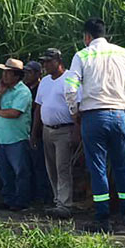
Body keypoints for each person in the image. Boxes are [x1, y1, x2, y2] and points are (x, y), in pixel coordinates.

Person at [63, 18, 125, 231]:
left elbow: (70, 88)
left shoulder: (82, 55)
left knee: (98, 167)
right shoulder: (122, 53)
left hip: (93, 117)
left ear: (87, 37)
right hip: (117, 115)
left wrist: (74, 110)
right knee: (122, 166)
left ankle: (103, 218)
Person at [34, 48, 78, 218]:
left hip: (64, 129)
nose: (45, 65)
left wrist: (77, 131)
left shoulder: (69, 79)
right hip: (47, 130)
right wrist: (34, 132)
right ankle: (57, 200)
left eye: (48, 61)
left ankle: (65, 205)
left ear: (59, 61)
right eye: (44, 62)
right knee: (51, 167)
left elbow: (76, 107)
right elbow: (39, 107)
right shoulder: (44, 81)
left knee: (62, 167)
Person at [0, 58, 33, 211]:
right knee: (4, 171)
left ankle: (22, 201)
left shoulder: (23, 92)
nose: (4, 76)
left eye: (8, 73)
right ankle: (9, 199)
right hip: (1, 138)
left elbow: (14, 113)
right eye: (4, 72)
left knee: (20, 171)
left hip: (17, 138)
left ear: (16, 75)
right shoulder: (1, 89)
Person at [23, 60, 52, 206]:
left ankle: (44, 196)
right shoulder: (24, 89)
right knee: (29, 165)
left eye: (30, 72)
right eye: (25, 72)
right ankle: (32, 194)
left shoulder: (41, 87)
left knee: (40, 165)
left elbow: (38, 110)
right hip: (24, 132)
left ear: (38, 74)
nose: (26, 75)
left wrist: (34, 133)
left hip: (40, 132)